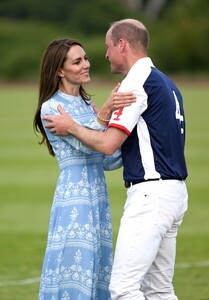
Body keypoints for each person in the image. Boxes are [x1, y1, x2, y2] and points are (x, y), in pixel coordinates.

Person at [43, 19, 188, 300]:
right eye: (79, 60)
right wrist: (102, 117)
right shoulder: (167, 83)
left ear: (122, 44)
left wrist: (77, 125)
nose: (104, 56)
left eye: (108, 47)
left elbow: (108, 146)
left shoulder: (134, 84)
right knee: (160, 290)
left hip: (151, 195)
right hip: (172, 193)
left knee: (122, 289)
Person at [33, 37, 136, 300]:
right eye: (77, 61)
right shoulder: (51, 107)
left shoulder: (87, 105)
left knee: (98, 268)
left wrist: (137, 139)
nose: (85, 65)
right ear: (59, 70)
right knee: (75, 268)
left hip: (97, 197)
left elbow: (107, 155)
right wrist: (107, 112)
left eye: (86, 58)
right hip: (74, 199)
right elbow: (88, 147)